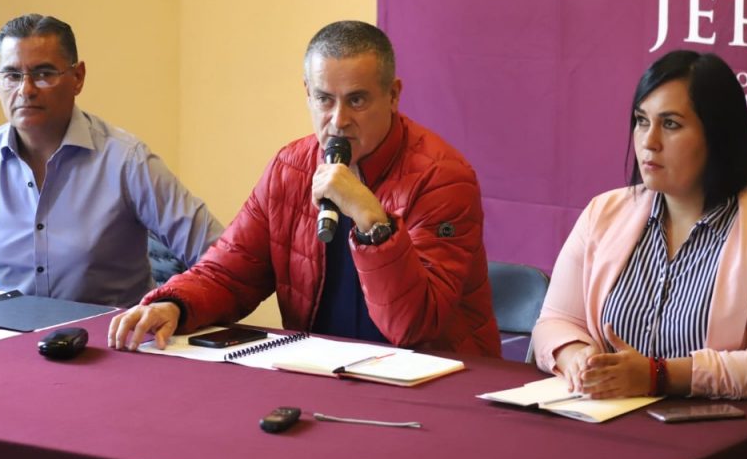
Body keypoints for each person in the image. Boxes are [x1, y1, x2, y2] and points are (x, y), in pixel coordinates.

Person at [109, 20, 500, 356]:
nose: (339, 120)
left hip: (434, 381)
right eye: (324, 99)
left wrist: (371, 220)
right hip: (319, 372)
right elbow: (230, 273)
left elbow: (414, 326)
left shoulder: (442, 177)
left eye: (357, 100)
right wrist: (174, 304)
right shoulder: (290, 168)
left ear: (393, 95)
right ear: (307, 93)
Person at [532, 50, 747, 400]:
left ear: (718, 135)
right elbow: (554, 322)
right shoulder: (604, 211)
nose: (649, 141)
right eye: (641, 121)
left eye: (671, 124)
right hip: (610, 418)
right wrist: (578, 359)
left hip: (730, 428)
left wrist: (659, 376)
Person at [0, 13, 223, 307]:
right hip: (8, 334)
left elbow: (219, 258)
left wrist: (175, 307)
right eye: (12, 76)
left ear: (78, 77)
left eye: (44, 74)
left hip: (112, 333)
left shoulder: (126, 160)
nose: (26, 90)